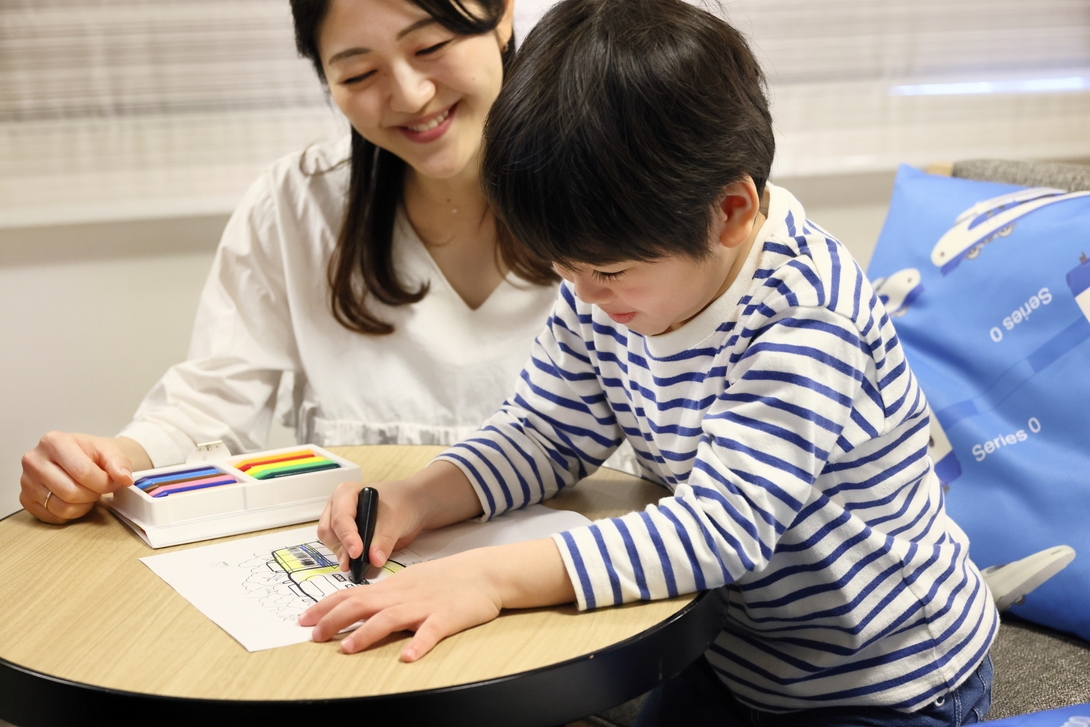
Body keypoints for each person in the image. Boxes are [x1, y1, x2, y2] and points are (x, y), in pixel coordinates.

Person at [300, 0, 1000, 723]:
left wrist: (489, 577)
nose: (581, 293)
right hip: (732, 654)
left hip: (886, 677)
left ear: (731, 212)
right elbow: (547, 432)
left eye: (606, 271)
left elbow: (721, 528)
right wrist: (420, 497)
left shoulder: (806, 312)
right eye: (562, 267)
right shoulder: (605, 286)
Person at [18, 0, 560, 525]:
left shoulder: (608, 184)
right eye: (359, 73)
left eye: (431, 45)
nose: (411, 95)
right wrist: (102, 463)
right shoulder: (296, 205)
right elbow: (209, 412)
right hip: (372, 578)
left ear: (503, 12)